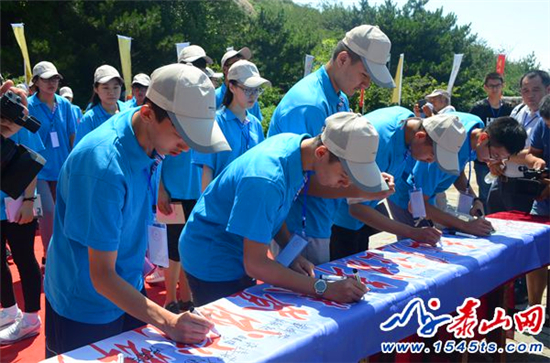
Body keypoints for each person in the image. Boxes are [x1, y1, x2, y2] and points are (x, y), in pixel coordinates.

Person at [43, 64, 231, 356]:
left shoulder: (151, 139)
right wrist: (168, 320)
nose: (187, 147)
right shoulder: (103, 166)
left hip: (128, 286)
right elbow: (102, 276)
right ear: (147, 114)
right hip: (85, 304)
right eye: (183, 134)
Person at [179, 112, 393, 306]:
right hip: (212, 257)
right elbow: (255, 264)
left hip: (236, 250)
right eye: (344, 176)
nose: (345, 184)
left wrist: (291, 252)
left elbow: (273, 211)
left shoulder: (297, 150)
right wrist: (323, 288)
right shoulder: (266, 179)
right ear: (321, 153)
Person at [266, 24, 395, 265]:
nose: (366, 85)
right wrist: (364, 189)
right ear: (343, 59)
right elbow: (300, 181)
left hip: (320, 221)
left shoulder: (339, 97)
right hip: (298, 227)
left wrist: (366, 177)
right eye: (365, 75)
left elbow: (339, 161)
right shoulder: (310, 105)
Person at [331, 108, 459, 260]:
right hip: (339, 222)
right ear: (420, 136)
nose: (431, 161)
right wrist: (412, 232)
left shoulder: (408, 124)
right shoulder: (377, 142)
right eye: (432, 155)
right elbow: (357, 208)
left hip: (361, 220)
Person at [388, 115, 527, 237]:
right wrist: (466, 226)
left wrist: (474, 199)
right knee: (417, 251)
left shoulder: (475, 128)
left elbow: (456, 170)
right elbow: (417, 205)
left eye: (501, 159)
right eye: (494, 156)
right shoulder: (441, 152)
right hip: (407, 199)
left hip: (427, 196)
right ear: (484, 138)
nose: (492, 162)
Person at [0, 82, 45, 345]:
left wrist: (30, 200)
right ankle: (8, 310)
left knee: (24, 257)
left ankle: (30, 318)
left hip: (17, 201)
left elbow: (33, 160)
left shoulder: (16, 109)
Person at [27, 61, 77, 267]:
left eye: (55, 78)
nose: (52, 83)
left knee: (65, 213)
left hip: (63, 167)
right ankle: (50, 259)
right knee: (47, 213)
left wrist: (75, 162)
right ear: (36, 82)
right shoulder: (29, 105)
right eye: (46, 79)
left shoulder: (65, 105)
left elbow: (72, 134)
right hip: (39, 170)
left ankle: (63, 256)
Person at [194, 60, 270, 190]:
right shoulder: (216, 123)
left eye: (257, 90)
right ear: (231, 87)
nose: (253, 95)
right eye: (247, 89)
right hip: (220, 203)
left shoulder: (255, 124)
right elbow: (207, 171)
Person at [487, 70, 550, 214]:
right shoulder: (518, 110)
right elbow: (500, 139)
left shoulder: (544, 120)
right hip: (503, 178)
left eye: (535, 90)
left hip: (525, 186)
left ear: (548, 90)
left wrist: (501, 155)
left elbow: (532, 153)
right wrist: (493, 159)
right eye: (525, 90)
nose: (530, 95)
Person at [469, 72, 514, 207]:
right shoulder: (478, 108)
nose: (494, 89)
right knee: (485, 193)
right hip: (482, 160)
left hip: (502, 159)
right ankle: (485, 220)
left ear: (503, 86)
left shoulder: (508, 108)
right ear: (485, 88)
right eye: (491, 86)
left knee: (502, 193)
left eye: (497, 85)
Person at [75, 65, 127, 145]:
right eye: (106, 88)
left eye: (115, 87)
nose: (111, 92)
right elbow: (80, 152)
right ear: (96, 89)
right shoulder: (89, 119)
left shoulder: (128, 111)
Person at [215, 47, 263, 121]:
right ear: (225, 69)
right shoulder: (214, 97)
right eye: (236, 63)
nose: (242, 67)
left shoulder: (253, 100)